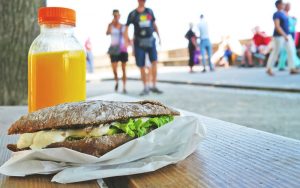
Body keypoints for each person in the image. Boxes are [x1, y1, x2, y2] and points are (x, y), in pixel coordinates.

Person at [124, 0, 162, 96]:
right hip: (138, 42)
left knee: (154, 62)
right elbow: (126, 28)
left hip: (150, 40)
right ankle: (145, 87)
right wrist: (127, 39)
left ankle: (153, 85)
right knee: (141, 65)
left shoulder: (149, 11)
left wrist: (159, 36)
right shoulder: (132, 14)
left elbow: (154, 24)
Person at [266, 0, 298, 76]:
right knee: (276, 52)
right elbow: (277, 26)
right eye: (282, 4)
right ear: (278, 5)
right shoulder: (276, 14)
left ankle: (292, 68)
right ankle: (269, 68)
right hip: (279, 36)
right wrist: (284, 35)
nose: (283, 5)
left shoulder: (284, 14)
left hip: (287, 35)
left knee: (291, 51)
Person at [106, 9, 129, 93]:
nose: (116, 17)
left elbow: (127, 36)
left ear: (119, 16)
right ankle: (116, 81)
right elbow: (107, 33)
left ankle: (124, 87)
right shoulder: (110, 25)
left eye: (117, 15)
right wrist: (111, 23)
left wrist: (128, 44)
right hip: (114, 49)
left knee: (123, 69)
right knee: (114, 69)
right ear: (113, 16)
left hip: (123, 49)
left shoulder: (123, 26)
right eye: (114, 15)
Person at [277, 2, 300, 70]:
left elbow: (293, 25)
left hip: (291, 34)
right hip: (286, 34)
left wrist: (295, 20)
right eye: (288, 6)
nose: (289, 7)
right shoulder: (282, 14)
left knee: (286, 50)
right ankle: (296, 64)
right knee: (291, 49)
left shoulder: (289, 16)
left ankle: (281, 65)